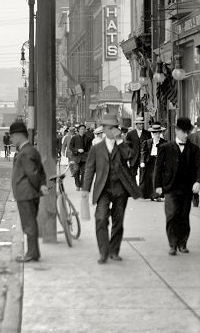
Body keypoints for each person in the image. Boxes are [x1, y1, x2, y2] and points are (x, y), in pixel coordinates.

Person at [83, 113, 142, 264]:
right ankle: (103, 252)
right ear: (103, 129)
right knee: (101, 218)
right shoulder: (96, 148)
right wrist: (85, 190)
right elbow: (89, 169)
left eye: (114, 127)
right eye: (109, 128)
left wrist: (120, 141)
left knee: (118, 221)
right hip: (103, 189)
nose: (112, 130)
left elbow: (130, 156)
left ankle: (114, 251)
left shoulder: (123, 145)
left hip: (120, 189)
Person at [154, 116, 200, 256]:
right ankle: (173, 244)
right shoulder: (165, 148)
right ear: (177, 131)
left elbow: (199, 167)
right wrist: (158, 185)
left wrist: (198, 182)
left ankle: (182, 243)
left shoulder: (194, 149)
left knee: (184, 216)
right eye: (183, 132)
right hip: (170, 187)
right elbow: (158, 168)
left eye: (188, 132)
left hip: (187, 188)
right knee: (171, 215)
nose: (186, 135)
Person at [9, 120, 48, 263]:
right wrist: (41, 185)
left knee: (29, 225)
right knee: (30, 223)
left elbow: (33, 174)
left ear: (18, 135)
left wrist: (38, 186)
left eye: (12, 137)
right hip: (29, 193)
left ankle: (32, 253)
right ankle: (33, 252)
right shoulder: (31, 150)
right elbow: (40, 171)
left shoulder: (25, 152)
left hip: (26, 194)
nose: (11, 140)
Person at [140, 123, 165, 201]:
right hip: (150, 161)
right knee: (150, 178)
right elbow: (143, 152)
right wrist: (142, 161)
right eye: (155, 133)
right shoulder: (148, 142)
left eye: (158, 133)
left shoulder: (164, 142)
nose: (157, 135)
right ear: (153, 134)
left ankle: (156, 195)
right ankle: (151, 195)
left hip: (159, 162)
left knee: (157, 177)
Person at [68, 124, 89, 189]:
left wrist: (87, 154)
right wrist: (77, 150)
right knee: (76, 172)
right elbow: (70, 147)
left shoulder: (88, 138)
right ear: (78, 130)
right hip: (76, 157)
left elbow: (90, 148)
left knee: (84, 172)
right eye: (81, 129)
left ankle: (82, 185)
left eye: (84, 129)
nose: (83, 130)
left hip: (84, 158)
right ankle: (77, 185)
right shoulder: (74, 138)